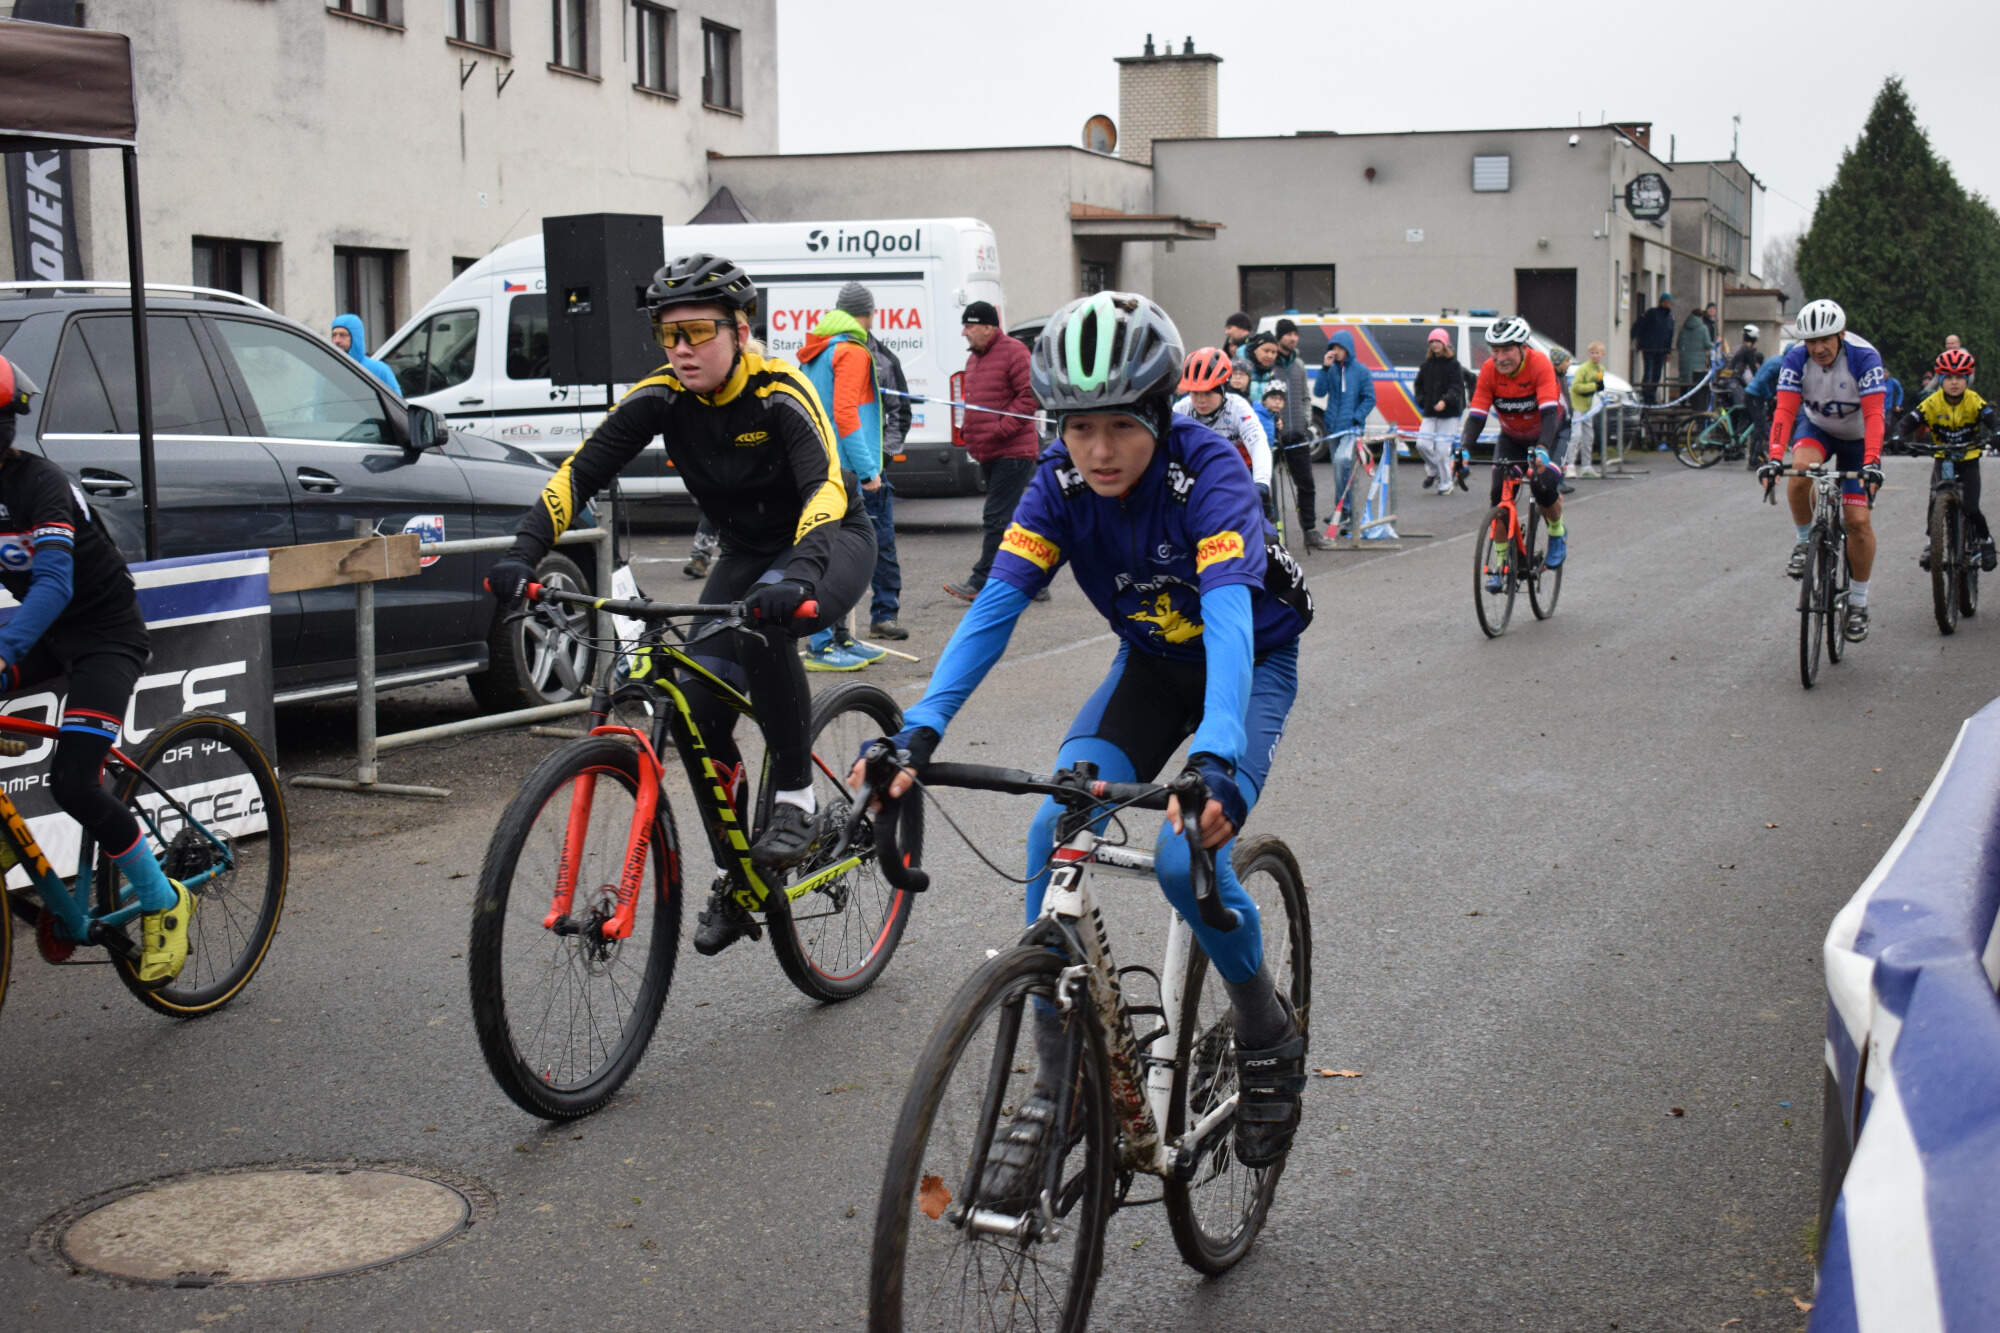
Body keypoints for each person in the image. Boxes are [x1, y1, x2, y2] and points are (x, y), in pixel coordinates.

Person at [853, 290, 1314, 1171]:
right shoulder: (1059, 481)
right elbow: (996, 607)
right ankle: (1058, 1083)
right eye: (1075, 426)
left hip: (1247, 664)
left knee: (1186, 858)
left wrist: (1214, 761)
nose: (1096, 451)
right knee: (1051, 827)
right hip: (1147, 667)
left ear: (1156, 412)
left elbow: (1226, 625)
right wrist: (919, 731)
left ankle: (1266, 1032)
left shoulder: (1208, 472)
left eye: (1118, 426)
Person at [485, 252, 877, 955]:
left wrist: (800, 576)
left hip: (830, 539)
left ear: (740, 328)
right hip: (749, 552)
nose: (682, 349)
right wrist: (523, 550)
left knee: (766, 623)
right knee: (692, 705)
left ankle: (796, 796)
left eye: (697, 331)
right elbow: (579, 470)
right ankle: (739, 872)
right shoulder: (663, 396)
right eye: (669, 336)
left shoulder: (782, 390)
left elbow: (824, 486)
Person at [0, 354, 187, 982]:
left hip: (105, 636)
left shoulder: (40, 484)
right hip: (50, 634)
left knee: (74, 783)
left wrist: (5, 654)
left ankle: (164, 901)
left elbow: (53, 583)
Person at [1755, 298, 1887, 641]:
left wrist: (1872, 461)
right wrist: (1772, 457)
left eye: (1826, 339)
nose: (1819, 348)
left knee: (1857, 522)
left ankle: (1858, 604)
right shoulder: (1796, 358)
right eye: (1812, 341)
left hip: (1857, 440)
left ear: (1841, 334)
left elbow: (1875, 416)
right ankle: (1803, 542)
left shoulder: (1864, 357)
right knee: (1799, 473)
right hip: (1818, 429)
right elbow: (1784, 411)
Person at [798, 281, 894, 669]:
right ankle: (822, 644)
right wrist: (870, 469)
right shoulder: (852, 350)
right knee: (840, 557)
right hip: (843, 468)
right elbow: (847, 415)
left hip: (815, 461)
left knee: (832, 552)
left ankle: (839, 637)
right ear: (868, 315)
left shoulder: (817, 347)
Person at [1461, 317, 1569, 591]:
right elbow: (1476, 416)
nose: (1499, 357)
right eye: (1494, 351)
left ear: (1521, 348)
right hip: (1513, 437)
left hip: (1551, 432)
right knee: (1498, 494)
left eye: (1506, 349)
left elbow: (1548, 413)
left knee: (1542, 485)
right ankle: (1500, 565)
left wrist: (1543, 449)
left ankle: (1557, 532)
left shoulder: (1539, 364)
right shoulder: (1488, 371)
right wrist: (1462, 449)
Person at [944, 300, 1041, 602]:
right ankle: (1035, 579)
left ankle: (981, 580)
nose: (964, 332)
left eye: (969, 326)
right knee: (1011, 519)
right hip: (989, 451)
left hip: (1013, 450)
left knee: (996, 518)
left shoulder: (1014, 352)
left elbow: (1029, 397)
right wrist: (971, 435)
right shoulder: (974, 360)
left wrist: (1000, 429)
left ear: (988, 327)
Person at [1898, 347, 1995, 572]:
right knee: (1935, 500)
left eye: (1959, 377)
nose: (1954, 383)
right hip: (1943, 458)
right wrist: (1898, 436)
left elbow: (1991, 420)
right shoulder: (1933, 402)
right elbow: (1909, 421)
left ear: (1967, 379)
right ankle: (1933, 542)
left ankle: (1985, 540)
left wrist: (1996, 434)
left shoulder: (1974, 401)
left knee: (1971, 507)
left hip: (1968, 458)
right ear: (1940, 379)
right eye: (1948, 377)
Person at [1173, 346, 1273, 518]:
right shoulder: (1182, 409)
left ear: (1222, 388)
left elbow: (1258, 444)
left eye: (1208, 392)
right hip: (1199, 475)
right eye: (1195, 393)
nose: (1201, 400)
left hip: (1238, 473)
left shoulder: (1238, 407)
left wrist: (1262, 483)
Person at [1247, 332, 1326, 548]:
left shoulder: (1296, 365)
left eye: (1273, 352)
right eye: (1267, 351)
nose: (1270, 355)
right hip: (1259, 442)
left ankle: (1309, 530)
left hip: (1294, 433)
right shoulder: (1246, 371)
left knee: (1306, 483)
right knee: (1264, 490)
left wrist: (1304, 422)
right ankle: (1263, 536)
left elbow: (1304, 396)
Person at [868, 326, 914, 640]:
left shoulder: (884, 358)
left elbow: (901, 410)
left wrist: (883, 456)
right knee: (828, 548)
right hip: (831, 470)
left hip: (873, 470)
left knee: (882, 544)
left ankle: (885, 615)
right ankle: (828, 630)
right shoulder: (821, 356)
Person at [1316, 330, 1377, 536]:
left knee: (1343, 463)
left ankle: (1344, 510)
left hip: (1351, 428)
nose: (1336, 352)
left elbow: (1370, 398)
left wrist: (1357, 417)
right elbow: (1318, 392)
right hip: (1333, 428)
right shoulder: (1331, 370)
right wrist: (1324, 368)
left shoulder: (1361, 371)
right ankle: (1346, 513)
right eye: (1333, 347)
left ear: (1348, 349)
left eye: (1340, 348)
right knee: (1340, 472)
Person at [1412, 326, 1465, 493]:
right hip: (1430, 412)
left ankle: (1446, 483)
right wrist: (1422, 400)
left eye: (1438, 341)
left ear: (1445, 344)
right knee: (1422, 444)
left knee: (1442, 450)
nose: (1434, 344)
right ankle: (1434, 470)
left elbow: (1456, 387)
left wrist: (1445, 400)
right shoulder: (1426, 366)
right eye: (1432, 341)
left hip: (1449, 414)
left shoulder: (1454, 365)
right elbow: (1418, 386)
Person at [330, 313, 399, 394]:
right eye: (334, 335)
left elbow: (395, 402)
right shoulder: (328, 371)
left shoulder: (379, 370)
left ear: (355, 337)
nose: (337, 340)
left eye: (342, 335)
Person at [1568, 340, 1607, 478]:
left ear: (1602, 354)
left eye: (1598, 353)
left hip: (1589, 406)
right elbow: (1576, 386)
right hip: (1577, 404)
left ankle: (1586, 465)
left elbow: (1600, 384)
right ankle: (1570, 465)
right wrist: (1593, 387)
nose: (1595, 356)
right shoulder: (1583, 369)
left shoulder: (1600, 369)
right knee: (1576, 435)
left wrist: (1600, 390)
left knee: (1588, 436)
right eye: (1592, 353)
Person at [1633, 293, 1675, 404]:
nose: (1667, 304)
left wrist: (1668, 351)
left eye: (1669, 302)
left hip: (1661, 351)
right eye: (1665, 302)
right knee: (1648, 373)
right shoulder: (1652, 313)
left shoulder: (1670, 318)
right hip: (1649, 349)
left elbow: (1670, 336)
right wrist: (1640, 341)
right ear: (1661, 302)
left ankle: (1652, 396)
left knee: (1657, 374)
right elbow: (1641, 325)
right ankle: (1646, 396)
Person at [1548, 347, 1577, 494]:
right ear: (1558, 363)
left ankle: (1559, 480)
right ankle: (1555, 482)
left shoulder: (1562, 376)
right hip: (1557, 423)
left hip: (1565, 419)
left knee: (1561, 454)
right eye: (1566, 360)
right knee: (1556, 453)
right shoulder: (1552, 377)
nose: (1569, 363)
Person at [1677, 302, 1715, 396]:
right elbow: (1707, 344)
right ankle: (1694, 402)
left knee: (1684, 380)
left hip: (1684, 359)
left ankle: (1682, 401)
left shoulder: (1684, 328)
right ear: (1701, 317)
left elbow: (1678, 343)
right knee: (1696, 381)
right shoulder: (1703, 328)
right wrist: (1716, 345)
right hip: (1698, 360)